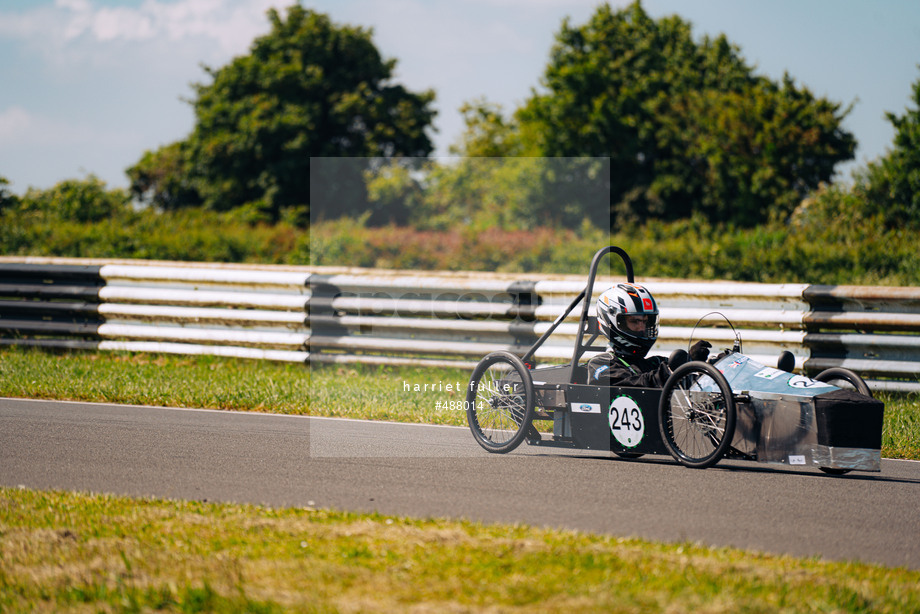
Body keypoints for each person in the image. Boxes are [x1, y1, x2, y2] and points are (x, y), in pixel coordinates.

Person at [586, 283, 711, 387]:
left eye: (645, 322)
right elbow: (635, 387)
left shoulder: (653, 363)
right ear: (612, 322)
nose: (642, 328)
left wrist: (693, 361)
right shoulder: (601, 366)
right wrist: (669, 372)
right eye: (635, 321)